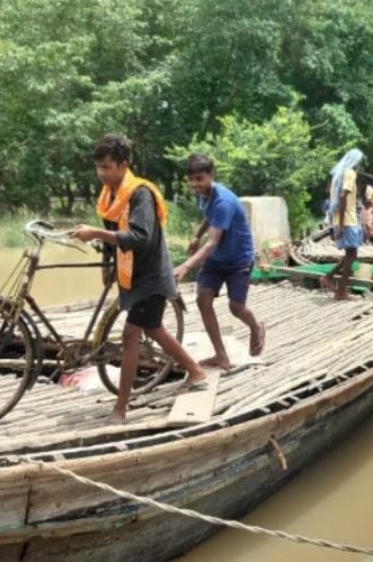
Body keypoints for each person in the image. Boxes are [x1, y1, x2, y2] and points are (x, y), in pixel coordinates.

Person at [71, 134, 208, 424]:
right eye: (98, 168)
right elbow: (113, 240)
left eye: (107, 167)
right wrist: (107, 264)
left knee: (131, 335)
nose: (101, 173)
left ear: (123, 165)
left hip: (152, 275)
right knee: (155, 329)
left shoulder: (139, 193)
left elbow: (140, 237)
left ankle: (121, 408)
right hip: (132, 273)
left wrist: (95, 232)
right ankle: (195, 371)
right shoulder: (109, 195)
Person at [174, 153, 266, 371]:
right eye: (192, 180)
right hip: (217, 260)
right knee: (203, 299)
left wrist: (186, 265)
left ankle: (256, 326)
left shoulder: (223, 201)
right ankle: (221, 355)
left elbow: (212, 242)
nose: (195, 185)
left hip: (238, 258)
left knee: (236, 307)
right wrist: (197, 235)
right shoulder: (204, 195)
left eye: (200, 179)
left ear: (211, 176)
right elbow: (209, 216)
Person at [322, 149, 366, 301]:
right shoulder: (350, 173)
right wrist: (341, 225)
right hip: (347, 219)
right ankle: (340, 291)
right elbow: (342, 198)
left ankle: (329, 278)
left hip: (343, 219)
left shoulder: (338, 175)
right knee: (352, 255)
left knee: (351, 255)